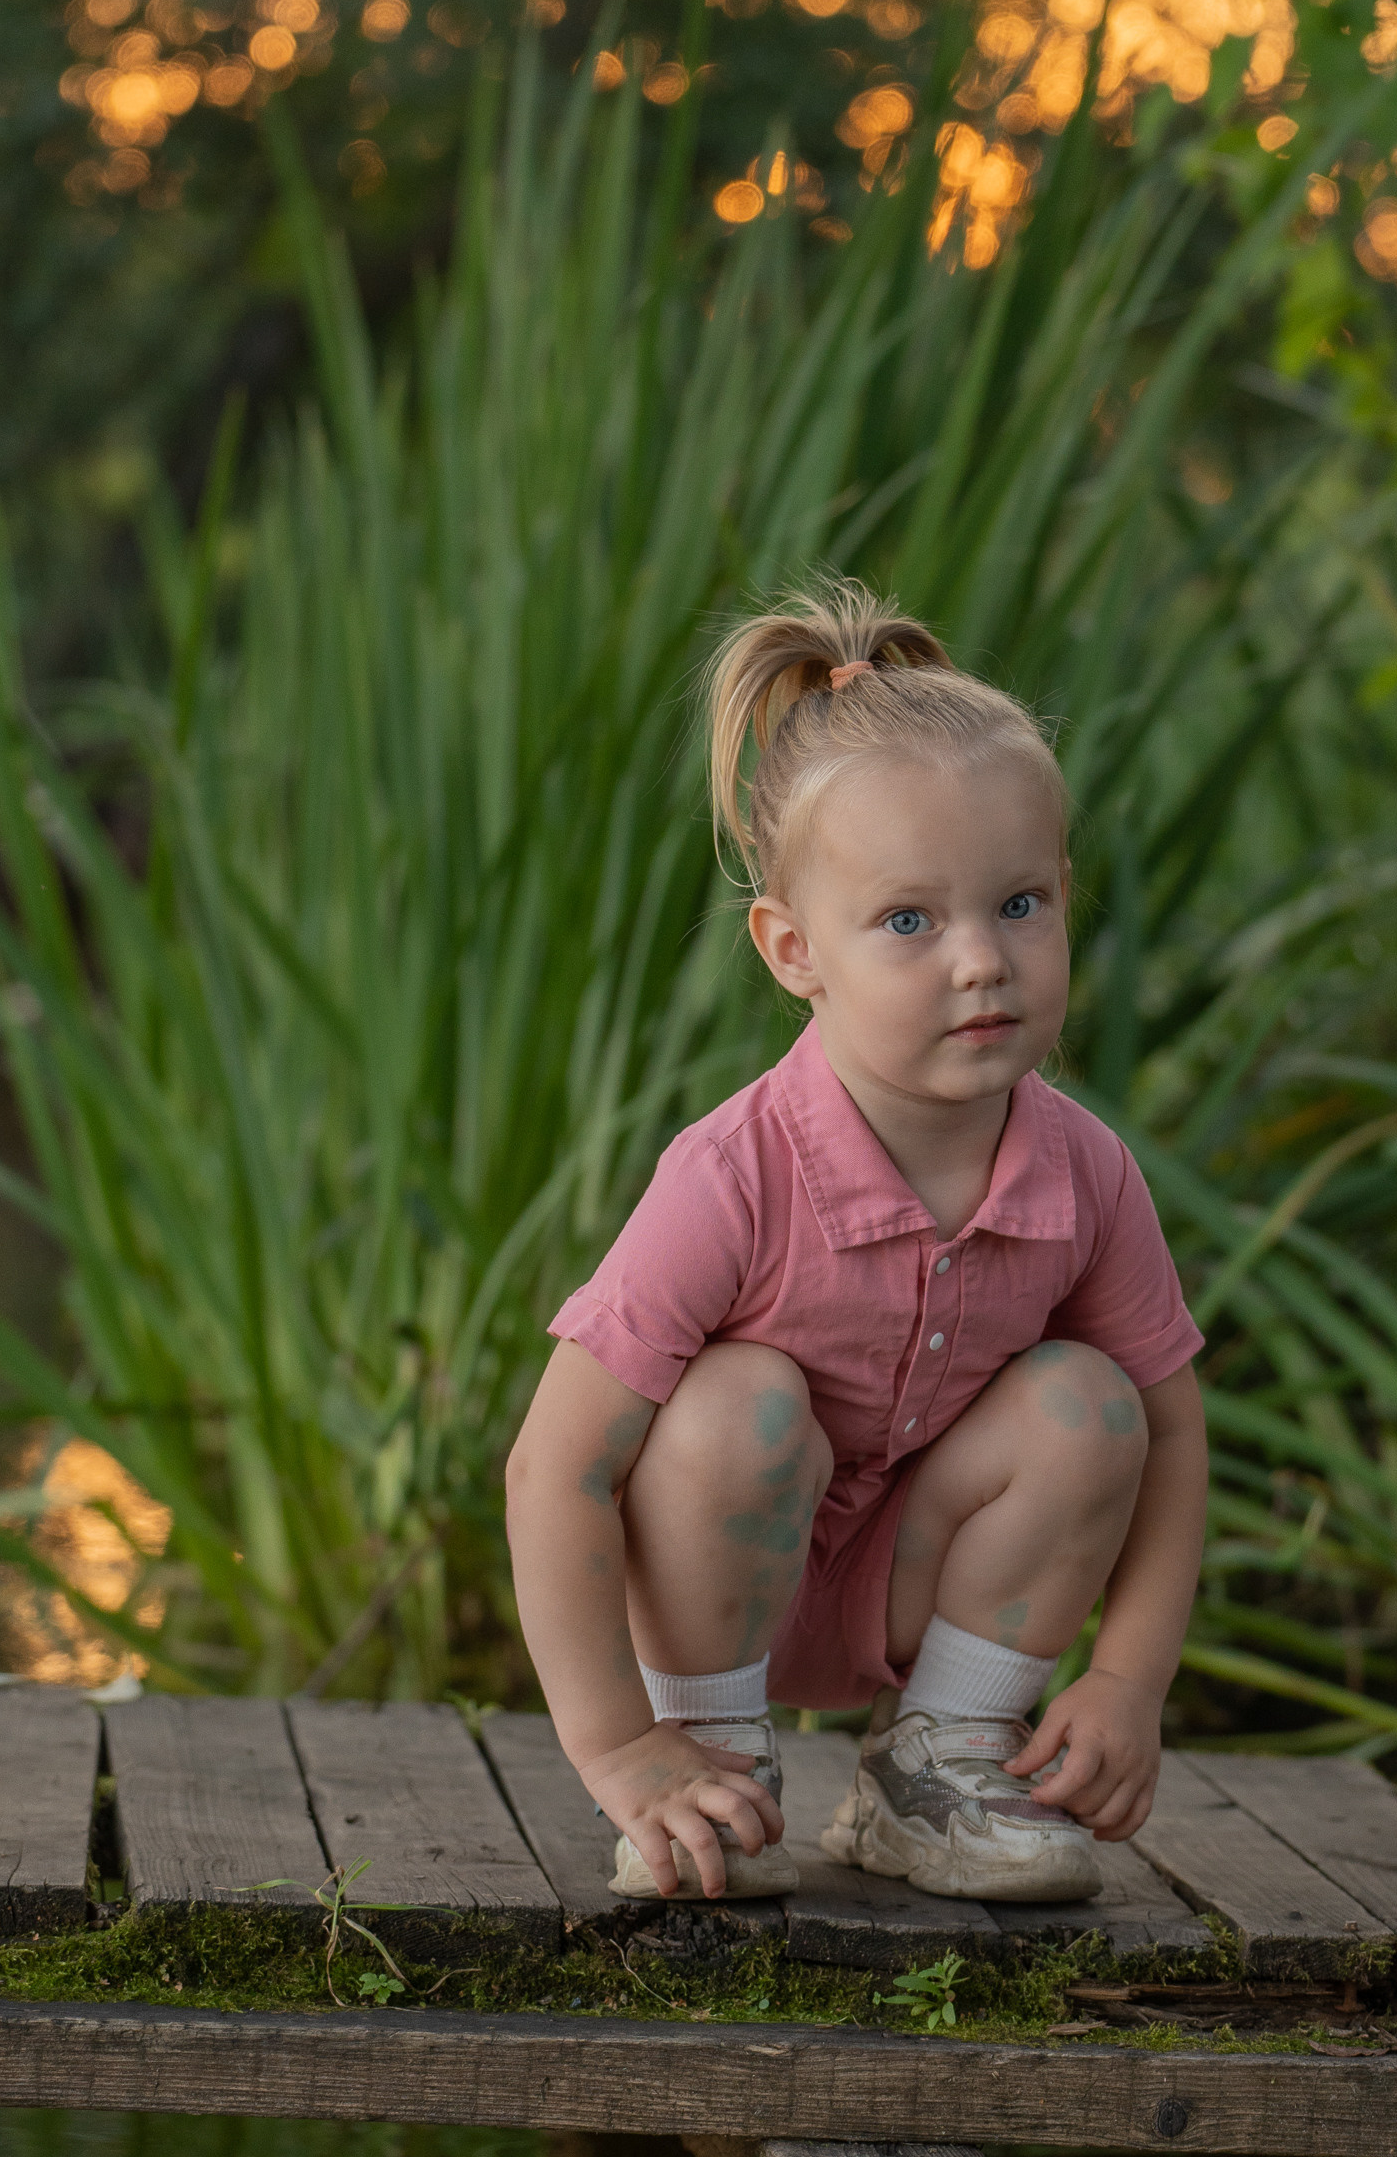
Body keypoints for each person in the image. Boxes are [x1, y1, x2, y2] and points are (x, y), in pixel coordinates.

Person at [503, 579, 1208, 1907]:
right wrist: (619, 1750)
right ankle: (709, 1772)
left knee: (1092, 1402)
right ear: (791, 950)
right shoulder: (732, 1175)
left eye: (1017, 906)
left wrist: (1126, 1681)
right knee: (730, 1401)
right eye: (906, 922)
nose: (978, 963)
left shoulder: (1087, 1175)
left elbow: (1170, 1439)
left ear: (1065, 897)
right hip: (725, 1581)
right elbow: (553, 1469)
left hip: (927, 1590)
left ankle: (934, 1770)